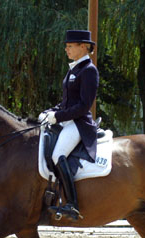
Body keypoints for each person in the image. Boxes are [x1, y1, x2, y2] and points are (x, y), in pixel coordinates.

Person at [40, 30, 99, 221]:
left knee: (58, 155)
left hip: (79, 123)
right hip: (67, 119)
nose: (66, 49)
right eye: (66, 46)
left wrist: (57, 116)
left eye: (70, 46)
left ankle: (72, 204)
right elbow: (67, 102)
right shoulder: (73, 69)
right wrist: (50, 111)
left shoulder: (89, 70)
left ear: (84, 46)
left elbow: (83, 106)